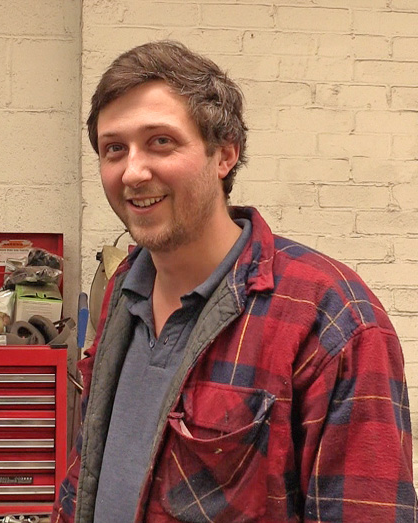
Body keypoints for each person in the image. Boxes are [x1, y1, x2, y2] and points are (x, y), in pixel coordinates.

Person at [52, 41, 417, 522]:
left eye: (161, 141)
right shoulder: (125, 287)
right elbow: (89, 470)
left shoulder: (332, 319)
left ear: (224, 155)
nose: (133, 172)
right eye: (114, 149)